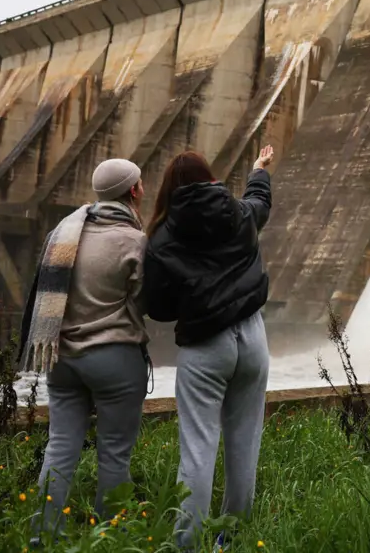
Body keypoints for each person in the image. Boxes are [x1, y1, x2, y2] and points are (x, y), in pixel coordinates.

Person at [143, 146, 274, 549]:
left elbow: (157, 306)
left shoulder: (163, 237)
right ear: (208, 178)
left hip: (206, 345)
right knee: (244, 442)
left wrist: (189, 303)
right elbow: (260, 205)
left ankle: (188, 544)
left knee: (198, 449)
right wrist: (259, 172)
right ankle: (231, 540)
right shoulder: (236, 212)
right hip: (253, 337)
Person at [18, 158, 150, 544]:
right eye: (140, 183)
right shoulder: (134, 241)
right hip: (115, 358)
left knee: (60, 445)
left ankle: (43, 534)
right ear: (133, 191)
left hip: (60, 357)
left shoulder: (64, 232)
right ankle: (108, 536)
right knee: (114, 452)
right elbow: (145, 300)